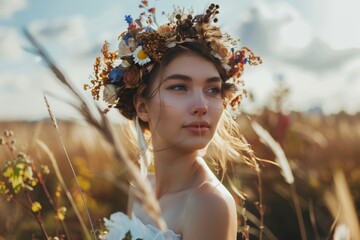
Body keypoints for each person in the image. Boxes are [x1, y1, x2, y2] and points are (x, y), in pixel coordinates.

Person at [87, 3, 261, 239]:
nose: (202, 106)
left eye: (212, 90)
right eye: (179, 87)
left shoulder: (208, 203)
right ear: (142, 107)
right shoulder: (140, 190)